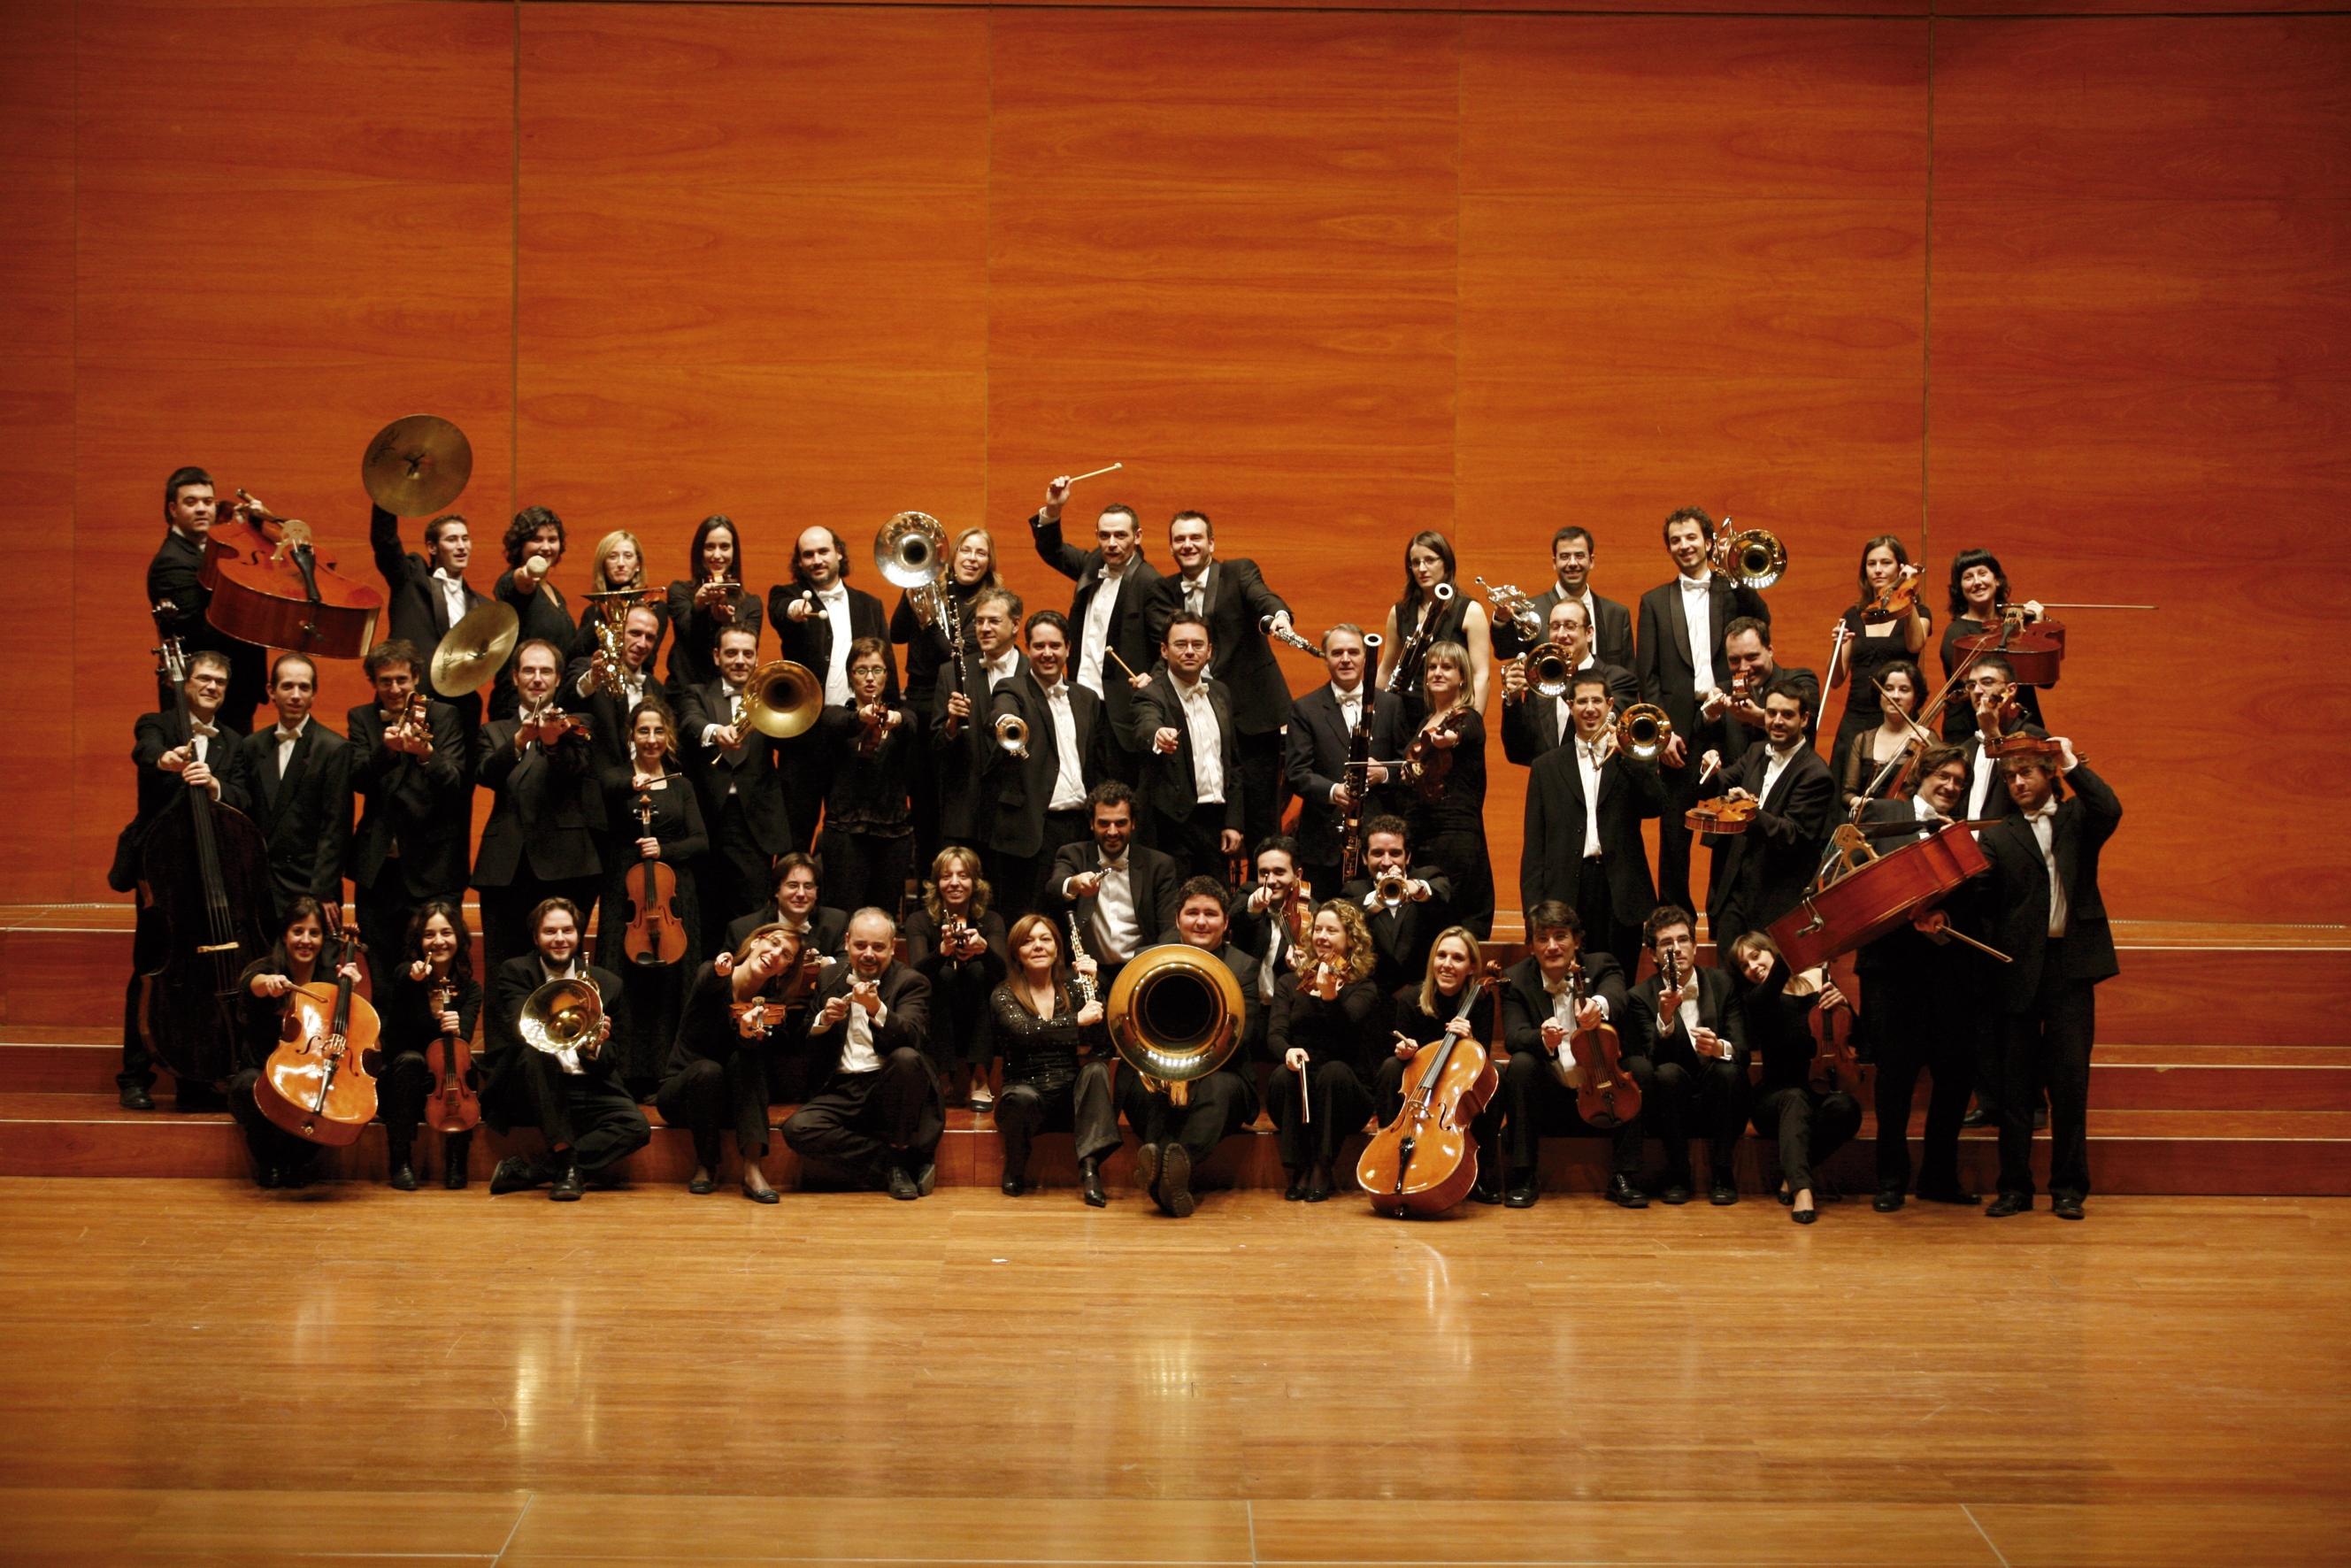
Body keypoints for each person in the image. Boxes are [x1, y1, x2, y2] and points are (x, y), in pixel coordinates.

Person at [1975, 741, 2121, 1220]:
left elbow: (2110, 806)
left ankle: (2069, 1187)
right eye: (2010, 777)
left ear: (2047, 773)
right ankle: (2014, 1188)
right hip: (2016, 969)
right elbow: (1984, 902)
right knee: (2015, 1086)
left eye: (2026, 774)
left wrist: (2072, 760)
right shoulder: (1998, 836)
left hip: (2070, 967)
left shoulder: (2078, 820)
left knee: (2070, 1081)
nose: (2017, 783)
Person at [110, 648, 254, 1111]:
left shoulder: (233, 740)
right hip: (165, 873)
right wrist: (168, 761)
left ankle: (202, 1068)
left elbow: (243, 795)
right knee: (151, 970)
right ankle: (135, 1075)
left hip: (214, 876)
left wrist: (216, 788)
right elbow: (145, 751)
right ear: (185, 682)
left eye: (220, 683)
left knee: (207, 971)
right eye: (204, 679)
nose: (212, 687)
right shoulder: (157, 723)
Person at [1855, 746, 1982, 1211]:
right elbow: (1853, 873)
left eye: (1959, 783)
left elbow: (1976, 898)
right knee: (1895, 1079)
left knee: (1953, 1075)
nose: (1951, 787)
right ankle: (1890, 1180)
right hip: (1890, 970)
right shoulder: (1885, 813)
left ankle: (1938, 1177)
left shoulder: (1962, 833)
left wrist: (1945, 913)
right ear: (1922, 776)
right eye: (1943, 777)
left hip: (1945, 970)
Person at [1634, 505, 1771, 916]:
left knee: (1730, 819)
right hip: (1681, 729)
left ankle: (1723, 913)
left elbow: (1762, 626)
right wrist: (1663, 733)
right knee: (1675, 829)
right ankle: (1675, 918)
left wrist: (1740, 577)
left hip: (1732, 719)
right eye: (1675, 540)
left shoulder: (1733, 592)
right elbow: (1649, 676)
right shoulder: (1654, 601)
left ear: (1708, 541)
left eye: (1691, 537)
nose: (1684, 546)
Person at [1141, 510, 1297, 844]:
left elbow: (1263, 598)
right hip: (1196, 718)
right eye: (1180, 539)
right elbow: (1165, 647)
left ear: (1211, 542)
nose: (1188, 545)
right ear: (1170, 548)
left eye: (1196, 537)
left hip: (1252, 718)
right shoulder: (1162, 590)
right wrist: (1153, 683)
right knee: (1204, 820)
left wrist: (1278, 617)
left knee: (1260, 818)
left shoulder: (1238, 572)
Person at [482, 897, 648, 1201]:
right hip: (534, 1086)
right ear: (536, 937)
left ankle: (545, 1169)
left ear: (578, 934)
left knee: (637, 1127)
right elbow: (523, 1029)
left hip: (588, 1083)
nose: (560, 939)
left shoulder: (606, 984)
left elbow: (613, 1057)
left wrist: (595, 1046)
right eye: (550, 931)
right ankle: (568, 1168)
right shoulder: (515, 972)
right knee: (534, 1053)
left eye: (567, 930)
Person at [1118, 878, 1263, 1218]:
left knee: (1213, 1088)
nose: (1201, 921)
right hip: (1158, 1066)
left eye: (1211, 914)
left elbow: (1245, 1034)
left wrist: (1191, 1071)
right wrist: (1169, 1071)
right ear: (1177, 919)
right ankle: (1171, 1180)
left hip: (1223, 1072)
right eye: (1192, 912)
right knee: (1139, 1084)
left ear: (1226, 923)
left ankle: (1163, 1168)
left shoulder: (1243, 967)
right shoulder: (1146, 959)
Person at [1494, 903, 1647, 1209]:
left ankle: (1624, 1176)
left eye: (1560, 936)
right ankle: (1524, 1174)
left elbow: (1616, 995)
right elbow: (1513, 1036)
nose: (1552, 946)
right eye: (1542, 938)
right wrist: (1541, 1037)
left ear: (1577, 941)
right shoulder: (1516, 980)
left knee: (1639, 1068)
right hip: (1551, 1099)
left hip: (1604, 1095)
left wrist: (1598, 1006)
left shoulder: (1602, 964)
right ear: (1531, 946)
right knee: (1521, 1065)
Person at [782, 908, 941, 1200]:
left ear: (893, 947)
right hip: (840, 1088)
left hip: (888, 1087)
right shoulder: (831, 975)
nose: (868, 953)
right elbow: (803, 1037)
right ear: (847, 942)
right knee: (797, 1129)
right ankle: (894, 1164)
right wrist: (824, 1021)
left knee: (906, 1058)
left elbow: (913, 1037)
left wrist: (876, 1008)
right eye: (860, 945)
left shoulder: (911, 982)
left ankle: (897, 1155)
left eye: (878, 947)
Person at [595, 700, 708, 1102]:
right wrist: (631, 785)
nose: (651, 739)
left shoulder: (682, 784)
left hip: (674, 894)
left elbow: (701, 840)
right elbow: (602, 790)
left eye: (659, 731)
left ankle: (666, 1074)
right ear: (631, 735)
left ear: (669, 736)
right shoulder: (618, 779)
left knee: (670, 982)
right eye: (643, 731)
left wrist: (665, 850)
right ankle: (624, 1073)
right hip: (627, 896)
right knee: (629, 979)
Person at [473, 639, 605, 973]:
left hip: (566, 866)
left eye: (545, 671)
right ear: (515, 677)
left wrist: (551, 742)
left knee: (564, 971)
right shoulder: (494, 731)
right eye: (529, 670)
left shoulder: (578, 724)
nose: (537, 678)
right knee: (502, 968)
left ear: (559, 679)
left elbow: (574, 771)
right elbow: (486, 775)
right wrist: (519, 741)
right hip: (505, 870)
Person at [1519, 669, 1663, 970]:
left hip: (1620, 893)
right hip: (1568, 891)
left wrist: (1626, 754)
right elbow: (1534, 846)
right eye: (1582, 701)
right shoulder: (1545, 767)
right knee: (1570, 983)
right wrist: (1532, 912)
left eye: (1597, 701)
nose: (1590, 708)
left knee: (1620, 982)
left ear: (1610, 705)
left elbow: (1656, 804)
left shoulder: (1631, 756)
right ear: (1570, 705)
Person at [345, 641, 470, 988]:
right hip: (379, 872)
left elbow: (454, 784)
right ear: (374, 682)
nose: (395, 689)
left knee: (432, 972)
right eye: (385, 681)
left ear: (416, 678)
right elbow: (356, 779)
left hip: (431, 868)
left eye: (402, 679)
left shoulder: (444, 716)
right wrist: (385, 750)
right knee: (382, 972)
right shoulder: (361, 718)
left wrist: (426, 754)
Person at [1029, 477, 1163, 786]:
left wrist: (1153, 678)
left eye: (1120, 535)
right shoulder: (1093, 563)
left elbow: (1164, 646)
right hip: (1081, 699)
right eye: (1105, 536)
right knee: (1081, 784)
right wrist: (1053, 508)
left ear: (1138, 536)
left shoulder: (1149, 582)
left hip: (1121, 712)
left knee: (1117, 792)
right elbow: (1053, 551)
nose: (1112, 543)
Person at [659, 923, 805, 1203]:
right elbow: (708, 982)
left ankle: (752, 1170)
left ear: (786, 968)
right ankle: (706, 1164)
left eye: (786, 954)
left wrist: (747, 1036)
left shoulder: (771, 1007)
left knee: (745, 1059)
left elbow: (756, 1057)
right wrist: (719, 972)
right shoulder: (712, 973)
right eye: (773, 943)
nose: (776, 954)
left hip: (730, 1104)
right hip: (682, 1096)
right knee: (708, 1070)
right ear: (755, 942)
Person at [1726, 931, 1863, 1225]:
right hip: (1774, 1099)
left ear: (1770, 952)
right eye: (1744, 966)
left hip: (1819, 1092)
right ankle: (1802, 1192)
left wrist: (1845, 1006)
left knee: (1847, 1108)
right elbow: (1774, 985)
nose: (1753, 967)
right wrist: (1796, 946)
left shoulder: (1818, 979)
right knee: (1795, 1098)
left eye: (1756, 955)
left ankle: (1794, 1174)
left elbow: (1859, 1036)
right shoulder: (1757, 999)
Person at [770, 526, 894, 849]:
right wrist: (795, 611)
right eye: (807, 555)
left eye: (823, 551)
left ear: (839, 552)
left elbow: (887, 668)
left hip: (856, 731)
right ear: (799, 562)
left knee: (852, 832)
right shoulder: (787, 595)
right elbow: (781, 611)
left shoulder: (870, 605)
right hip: (805, 735)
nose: (816, 560)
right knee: (796, 832)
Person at [980, 610, 1108, 921]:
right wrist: (1007, 722)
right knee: (1026, 918)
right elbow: (1001, 711)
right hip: (1032, 829)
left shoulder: (1087, 698)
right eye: (1038, 646)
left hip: (1079, 828)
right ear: (1028, 649)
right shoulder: (1013, 688)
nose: (1047, 654)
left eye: (1054, 646)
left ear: (1068, 648)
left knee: (1073, 916)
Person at [227, 897, 361, 1188]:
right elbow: (252, 982)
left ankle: (298, 1163)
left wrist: (349, 991)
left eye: (314, 933)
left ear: (324, 939)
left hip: (307, 1074)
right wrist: (268, 983)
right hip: (262, 1070)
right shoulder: (269, 968)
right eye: (298, 931)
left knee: (327, 1095)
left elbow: (347, 1032)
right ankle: (269, 1163)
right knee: (247, 1086)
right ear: (285, 935)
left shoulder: (329, 981)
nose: (305, 940)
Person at [990, 914, 1120, 1203]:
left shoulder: (1076, 988)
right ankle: (1015, 1164)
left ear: (1057, 949)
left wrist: (1096, 987)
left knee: (1097, 1071)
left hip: (1068, 1100)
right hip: (1024, 1096)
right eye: (1028, 941)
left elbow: (1104, 1045)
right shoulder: (1004, 994)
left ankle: (1089, 1172)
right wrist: (1076, 1021)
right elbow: (1024, 1032)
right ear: (1016, 953)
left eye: (1045, 939)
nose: (1037, 946)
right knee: (1020, 1099)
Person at [1626, 905, 1749, 1205]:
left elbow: (1742, 1051)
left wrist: (1720, 1048)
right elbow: (1652, 1061)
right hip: (1670, 1102)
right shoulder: (1640, 997)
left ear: (1695, 946)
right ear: (1654, 954)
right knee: (1666, 1073)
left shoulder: (1723, 984)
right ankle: (1678, 1173)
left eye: (1683, 940)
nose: (1677, 949)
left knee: (1728, 1069)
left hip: (1720, 1096)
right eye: (1667, 943)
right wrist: (1665, 1020)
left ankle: (1723, 1172)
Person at [1699, 678, 1834, 950]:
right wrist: (1709, 770)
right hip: (1735, 895)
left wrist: (1750, 810)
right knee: (1728, 983)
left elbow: (1793, 835)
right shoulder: (1757, 751)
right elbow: (1723, 782)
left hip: (1776, 902)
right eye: (1772, 713)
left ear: (1805, 719)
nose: (1777, 721)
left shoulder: (1816, 774)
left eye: (1787, 714)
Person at [1376, 926, 1506, 1205]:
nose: (1447, 964)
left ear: (1472, 967)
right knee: (1389, 1068)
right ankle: (1387, 1155)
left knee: (1496, 1074)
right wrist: (1404, 1052)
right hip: (1419, 1080)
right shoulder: (1411, 999)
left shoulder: (1481, 998)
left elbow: (1480, 1059)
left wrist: (1470, 1040)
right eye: (1441, 955)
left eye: (1457, 958)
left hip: (1455, 1087)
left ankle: (1484, 1169)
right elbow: (1401, 1046)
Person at [681, 625, 797, 934]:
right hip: (708, 820)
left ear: (757, 658)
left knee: (752, 910)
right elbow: (690, 721)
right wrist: (715, 732)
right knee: (707, 909)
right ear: (717, 656)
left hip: (754, 823)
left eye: (748, 653)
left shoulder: (771, 697)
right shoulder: (697, 694)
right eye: (731, 653)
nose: (740, 660)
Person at [892, 524, 996, 864]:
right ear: (953, 555)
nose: (972, 558)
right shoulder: (928, 584)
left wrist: (929, 621)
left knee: (948, 799)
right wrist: (912, 589)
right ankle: (926, 885)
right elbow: (896, 633)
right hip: (919, 701)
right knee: (920, 800)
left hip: (957, 705)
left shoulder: (989, 602)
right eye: (966, 550)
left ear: (989, 561)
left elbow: (957, 656)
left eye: (981, 552)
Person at [1267, 900, 1382, 1202]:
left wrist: (1330, 998)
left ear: (1350, 939)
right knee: (1283, 1074)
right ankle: (1299, 1167)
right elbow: (1276, 1034)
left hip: (1346, 1092)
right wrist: (1288, 1052)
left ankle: (1322, 1165)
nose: (1322, 936)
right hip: (1302, 1083)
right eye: (1318, 929)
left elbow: (1346, 1037)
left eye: (1332, 930)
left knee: (1333, 1071)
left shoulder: (1363, 988)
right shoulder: (1290, 982)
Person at [1282, 623, 1405, 896]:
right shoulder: (1305, 708)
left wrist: (1383, 773)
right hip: (1325, 843)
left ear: (1365, 657)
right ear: (1326, 658)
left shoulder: (1391, 705)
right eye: (1337, 653)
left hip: (1378, 842)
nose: (1346, 659)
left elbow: (1406, 767)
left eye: (1353, 652)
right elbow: (1297, 772)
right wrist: (1332, 791)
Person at [234, 653, 352, 925]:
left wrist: (322, 892)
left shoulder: (334, 748)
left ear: (314, 694)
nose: (296, 695)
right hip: (262, 887)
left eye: (304, 687)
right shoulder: (251, 746)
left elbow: (336, 827)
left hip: (311, 888)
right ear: (271, 692)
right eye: (287, 686)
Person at [375, 899, 482, 1191]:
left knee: (469, 1070)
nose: (438, 941)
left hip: (448, 1080)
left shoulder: (471, 989)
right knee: (410, 1060)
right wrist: (411, 982)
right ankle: (401, 1162)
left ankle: (457, 1161)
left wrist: (459, 1028)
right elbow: (392, 1037)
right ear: (419, 941)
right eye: (429, 934)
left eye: (446, 933)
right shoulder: (405, 976)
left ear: (458, 938)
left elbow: (465, 1039)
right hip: (404, 1080)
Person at [1126, 611, 1244, 880]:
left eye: (1197, 644)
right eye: (1180, 645)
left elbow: (1233, 764)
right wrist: (1158, 735)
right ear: (1164, 651)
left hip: (1217, 822)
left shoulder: (1220, 692)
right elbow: (1146, 724)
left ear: (1209, 651)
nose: (1190, 651)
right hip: (1173, 825)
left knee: (1217, 903)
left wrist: (1233, 822)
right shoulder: (1151, 694)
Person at [147, 466, 264, 729]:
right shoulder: (171, 563)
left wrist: (253, 532)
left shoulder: (212, 549)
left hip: (232, 690)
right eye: (191, 502)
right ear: (173, 510)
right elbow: (203, 632)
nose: (202, 509)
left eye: (208, 502)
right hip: (201, 694)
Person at [813, 636, 918, 918]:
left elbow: (912, 725)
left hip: (893, 833)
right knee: (842, 915)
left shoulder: (903, 714)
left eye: (877, 669)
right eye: (861, 670)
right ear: (850, 676)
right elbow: (839, 724)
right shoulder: (834, 715)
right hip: (846, 832)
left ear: (887, 675)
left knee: (883, 918)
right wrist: (862, 717)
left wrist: (895, 719)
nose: (869, 678)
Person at [1399, 642, 1494, 939]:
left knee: (1452, 918)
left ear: (1462, 676)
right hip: (1423, 833)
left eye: (1447, 667)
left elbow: (1465, 734)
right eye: (1432, 667)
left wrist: (1449, 738)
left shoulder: (1467, 716)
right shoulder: (1425, 721)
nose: (1438, 673)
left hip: (1456, 838)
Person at [1051, 781, 1183, 993]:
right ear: (1092, 824)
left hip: (1140, 970)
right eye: (1104, 823)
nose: (1112, 832)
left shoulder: (1159, 865)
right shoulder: (1072, 855)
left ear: (1133, 823)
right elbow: (1055, 886)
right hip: (1087, 970)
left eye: (1120, 823)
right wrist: (1074, 884)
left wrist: (1149, 967)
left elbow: (1169, 929)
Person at [368, 503, 486, 737]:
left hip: (456, 713)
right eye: (452, 539)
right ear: (432, 547)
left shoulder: (482, 606)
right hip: (405, 702)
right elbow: (385, 540)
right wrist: (388, 492)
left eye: (465, 539)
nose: (461, 546)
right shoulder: (410, 579)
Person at [903, 846, 1008, 1110]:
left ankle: (980, 1076)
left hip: (979, 1004)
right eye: (946, 876)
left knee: (977, 972)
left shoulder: (991, 920)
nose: (954, 883)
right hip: (938, 1005)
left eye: (963, 876)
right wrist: (941, 952)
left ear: (975, 882)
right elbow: (914, 975)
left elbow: (1004, 974)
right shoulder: (919, 920)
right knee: (946, 975)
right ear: (936, 882)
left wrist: (983, 950)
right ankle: (942, 1072)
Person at [933, 586, 1026, 856]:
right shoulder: (950, 673)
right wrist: (951, 723)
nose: (983, 628)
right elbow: (937, 748)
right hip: (966, 813)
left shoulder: (1033, 673)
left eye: (994, 621)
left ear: (1016, 624)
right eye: (979, 621)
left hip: (1015, 813)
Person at [1826, 535, 1930, 765]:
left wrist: (1907, 592)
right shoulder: (1852, 615)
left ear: (1900, 567)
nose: (1878, 570)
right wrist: (1837, 645)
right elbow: (1835, 681)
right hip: (1856, 718)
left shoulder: (1919, 611)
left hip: (1898, 717)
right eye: (1871, 564)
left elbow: (1915, 644)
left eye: (1886, 563)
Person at [1499, 597, 1637, 767]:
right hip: (1551, 789)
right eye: (1555, 627)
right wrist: (1513, 700)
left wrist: (1563, 679)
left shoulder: (1618, 679)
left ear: (1589, 633)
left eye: (1570, 626)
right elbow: (1517, 753)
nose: (1561, 635)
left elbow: (1601, 734)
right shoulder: (1540, 685)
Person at [1373, 531, 1494, 709]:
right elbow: (1386, 669)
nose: (1422, 569)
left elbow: (1481, 675)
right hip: (1403, 713)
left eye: (1430, 560)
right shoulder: (1399, 612)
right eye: (1415, 563)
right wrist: (1375, 718)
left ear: (1446, 563)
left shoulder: (1471, 611)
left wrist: (1470, 723)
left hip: (1449, 712)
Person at [1940, 548, 2047, 742]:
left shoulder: (2019, 625)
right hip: (1968, 728)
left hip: (2018, 722)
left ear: (1997, 580)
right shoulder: (1955, 633)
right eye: (1968, 577)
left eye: (1982, 573)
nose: (1977, 582)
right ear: (1960, 588)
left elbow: (2046, 681)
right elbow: (1978, 678)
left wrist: (2037, 629)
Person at [1341, 815, 1453, 995]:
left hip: (1423, 994)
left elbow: (1441, 892)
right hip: (1372, 997)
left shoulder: (1430, 876)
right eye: (1378, 853)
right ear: (1364, 857)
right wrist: (1378, 899)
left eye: (1395, 853)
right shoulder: (1353, 891)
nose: (1386, 862)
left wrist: (1415, 888)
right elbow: (1344, 916)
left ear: (1407, 857)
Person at [1227, 837, 1312, 1067]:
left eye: (1279, 872)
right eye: (1264, 873)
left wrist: (1304, 964)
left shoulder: (1312, 912)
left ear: (1298, 874)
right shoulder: (1247, 895)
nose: (1271, 880)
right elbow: (1230, 918)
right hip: (1248, 1011)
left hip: (1286, 1018)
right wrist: (1253, 907)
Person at [488, 505, 576, 720]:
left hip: (546, 703)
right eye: (537, 539)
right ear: (520, 545)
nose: (546, 547)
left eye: (552, 539)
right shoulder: (512, 582)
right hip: (516, 706)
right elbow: (521, 581)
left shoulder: (555, 593)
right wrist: (528, 572)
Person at [664, 514, 763, 699]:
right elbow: (688, 634)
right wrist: (699, 606)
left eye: (724, 547)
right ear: (699, 551)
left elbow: (748, 649)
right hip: (684, 694)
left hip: (730, 698)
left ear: (734, 552)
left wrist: (729, 623)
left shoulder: (751, 603)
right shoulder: (680, 591)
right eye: (710, 547)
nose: (717, 555)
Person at [569, 602, 665, 786]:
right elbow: (567, 698)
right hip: (596, 792)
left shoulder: (656, 688)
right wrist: (593, 679)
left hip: (641, 791)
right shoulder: (585, 667)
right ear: (618, 633)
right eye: (635, 633)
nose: (642, 644)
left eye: (650, 638)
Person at [567, 528, 667, 689]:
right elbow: (575, 656)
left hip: (636, 687)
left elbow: (647, 659)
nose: (621, 564)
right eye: (613, 557)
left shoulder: (655, 607)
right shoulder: (592, 611)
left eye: (628, 556)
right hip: (596, 687)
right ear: (603, 565)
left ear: (638, 565)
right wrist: (605, 608)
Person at [1527, 524, 1634, 669]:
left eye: (1579, 556)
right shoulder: (1531, 611)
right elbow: (1505, 652)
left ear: (1591, 561)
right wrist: (1501, 620)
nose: (1572, 563)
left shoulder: (1617, 615)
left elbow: (1628, 674)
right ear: (1554, 563)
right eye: (1565, 557)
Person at [1836, 658, 1928, 814]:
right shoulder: (1863, 740)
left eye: (1904, 689)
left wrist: (1924, 753)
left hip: (1907, 823)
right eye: (1889, 688)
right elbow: (1847, 793)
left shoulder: (1925, 738)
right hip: (1868, 821)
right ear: (1880, 695)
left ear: (1915, 698)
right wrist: (1858, 802)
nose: (1895, 695)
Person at [724, 852, 849, 960]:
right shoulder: (743, 930)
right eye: (793, 885)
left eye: (808, 886)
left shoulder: (836, 923)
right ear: (777, 891)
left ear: (817, 892)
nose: (801, 894)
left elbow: (846, 966)